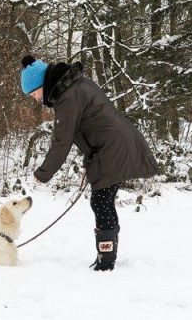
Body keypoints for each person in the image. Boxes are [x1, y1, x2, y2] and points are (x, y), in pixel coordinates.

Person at [20, 55, 160, 271]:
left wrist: (43, 173)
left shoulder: (67, 97)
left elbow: (61, 141)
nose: (36, 99)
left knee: (101, 201)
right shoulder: (73, 86)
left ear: (40, 85)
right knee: (103, 201)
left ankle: (105, 261)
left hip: (112, 148)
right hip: (112, 145)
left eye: (33, 94)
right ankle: (107, 255)